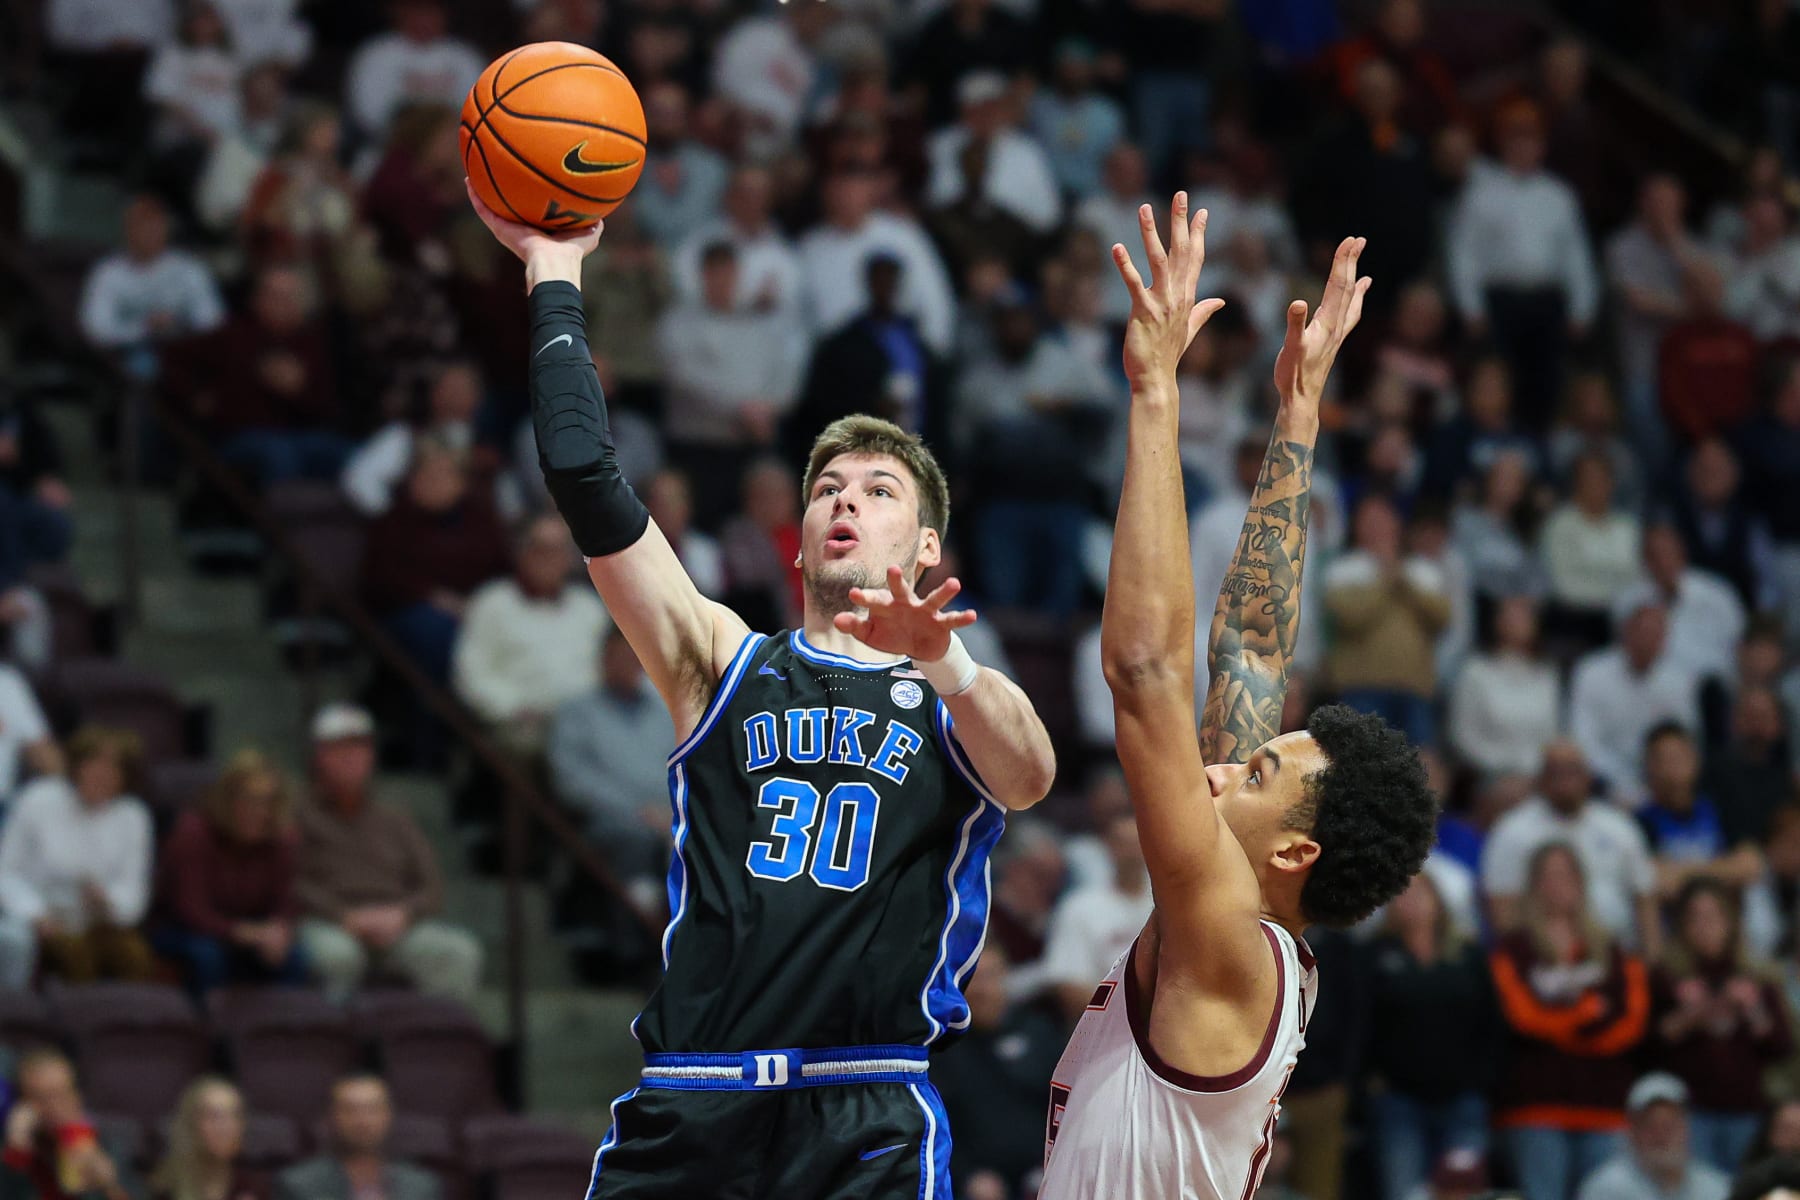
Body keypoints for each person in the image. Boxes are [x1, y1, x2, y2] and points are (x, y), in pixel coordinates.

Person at [468, 177, 1056, 1198]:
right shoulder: (724, 661)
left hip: (865, 1106)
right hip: (696, 1097)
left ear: (923, 545)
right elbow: (583, 477)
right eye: (828, 485)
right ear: (798, 538)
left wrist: (946, 661)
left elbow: (1033, 775)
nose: (843, 501)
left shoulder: (955, 694)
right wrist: (552, 275)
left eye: (877, 492)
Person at [1037, 210, 1437, 1200]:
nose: (1223, 764)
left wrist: (1156, 391)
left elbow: (1144, 675)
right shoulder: (1257, 935)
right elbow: (1253, 652)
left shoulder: (1225, 938)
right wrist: (1298, 412)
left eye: (1258, 772)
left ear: (1296, 850)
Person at [1490, 844, 1651, 1200]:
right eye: (1548, 875)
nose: (1558, 884)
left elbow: (1631, 1024)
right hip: (1536, 1106)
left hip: (1604, 1107)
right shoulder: (1513, 948)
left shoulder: (1613, 949)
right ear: (1533, 885)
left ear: (1581, 881)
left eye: (1566, 874)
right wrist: (1586, 1014)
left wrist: (1564, 1028)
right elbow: (1522, 1018)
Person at [295, 704, 483, 1002]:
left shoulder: (395, 818)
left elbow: (431, 886)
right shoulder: (297, 816)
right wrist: (343, 916)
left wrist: (402, 914)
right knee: (336, 956)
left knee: (458, 951)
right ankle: (331, 1043)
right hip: (328, 922)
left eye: (359, 748)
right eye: (338, 749)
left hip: (395, 922)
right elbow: (290, 883)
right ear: (318, 757)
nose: (350, 757)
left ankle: (431, 1042)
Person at [1367, 874, 1499, 1200]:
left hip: (1463, 1098)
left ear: (1438, 901)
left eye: (1419, 893)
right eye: (1401, 893)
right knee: (1404, 1191)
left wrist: (1484, 1080)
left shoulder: (1468, 955)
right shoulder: (1374, 956)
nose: (1410, 901)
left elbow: (1492, 1022)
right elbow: (1363, 1023)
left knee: (1465, 1191)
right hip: (1399, 1099)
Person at [1649, 880, 1791, 1173]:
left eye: (1713, 916)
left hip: (1746, 1110)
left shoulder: (1758, 977)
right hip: (1690, 1110)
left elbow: (1781, 1046)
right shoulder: (1667, 976)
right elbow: (1648, 1046)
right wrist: (1689, 1017)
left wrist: (1752, 1009)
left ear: (1731, 923)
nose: (1705, 926)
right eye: (1695, 917)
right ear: (1682, 926)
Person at [0, 727, 156, 985]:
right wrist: (35, 914)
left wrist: (108, 902)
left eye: (113, 768)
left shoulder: (134, 816)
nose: (101, 775)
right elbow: (5, 873)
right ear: (77, 766)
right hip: (43, 917)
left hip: (99, 920)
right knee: (75, 955)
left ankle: (128, 1023)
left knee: (134, 956)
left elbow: (133, 890)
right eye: (94, 764)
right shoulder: (38, 799)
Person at [1480, 739, 1660, 953]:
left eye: (1573, 771)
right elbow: (1502, 910)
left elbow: (1645, 897)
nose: (1565, 780)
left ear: (1589, 776)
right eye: (1556, 772)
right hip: (1545, 956)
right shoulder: (1511, 831)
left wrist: (1653, 960)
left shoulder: (1619, 826)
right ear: (1540, 779)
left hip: (1620, 951)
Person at [152, 750, 307, 995]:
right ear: (228, 798)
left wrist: (278, 930)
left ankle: (285, 1030)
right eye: (249, 799)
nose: (259, 810)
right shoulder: (193, 833)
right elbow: (192, 911)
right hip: (183, 929)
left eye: (268, 801)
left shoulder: (281, 839)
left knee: (295, 956)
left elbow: (287, 901)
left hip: (249, 931)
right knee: (207, 955)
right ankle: (208, 1029)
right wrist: (244, 933)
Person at [0, 1048, 139, 1200]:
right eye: (41, 1098)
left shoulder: (109, 1142)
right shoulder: (14, 1150)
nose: (55, 1107)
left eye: (62, 1094)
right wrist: (17, 1150)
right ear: (23, 1104)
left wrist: (110, 1186)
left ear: (77, 1095)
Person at [274, 1075, 438, 1200]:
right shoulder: (297, 1185)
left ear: (388, 1116)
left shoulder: (422, 1186)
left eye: (372, 1109)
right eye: (350, 1110)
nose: (362, 1121)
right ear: (331, 1117)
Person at [1575, 1074, 1729, 1200]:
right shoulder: (1604, 1190)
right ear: (1632, 1133)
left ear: (1686, 1129)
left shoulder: (1716, 1187)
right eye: (1650, 1126)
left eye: (1668, 1126)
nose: (1660, 1136)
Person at [150, 1078, 269, 1200]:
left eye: (234, 1115)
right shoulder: (163, 1186)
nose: (226, 1128)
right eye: (214, 1116)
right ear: (190, 1124)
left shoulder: (252, 1187)